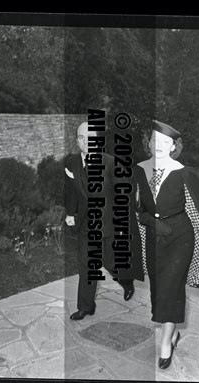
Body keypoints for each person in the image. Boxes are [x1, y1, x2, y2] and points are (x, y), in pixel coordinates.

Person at [134, 120, 199, 369]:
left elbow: (197, 214)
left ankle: (166, 344)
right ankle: (172, 332)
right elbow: (137, 210)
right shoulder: (140, 171)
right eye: (154, 140)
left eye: (165, 142)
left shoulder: (184, 173)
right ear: (148, 143)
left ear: (174, 146)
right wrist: (153, 223)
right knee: (157, 290)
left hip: (180, 240)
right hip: (154, 238)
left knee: (171, 290)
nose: (159, 146)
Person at [64, 122, 144, 320]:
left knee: (111, 262)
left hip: (108, 225)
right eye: (81, 138)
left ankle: (126, 281)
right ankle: (86, 306)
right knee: (86, 266)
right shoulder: (71, 163)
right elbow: (72, 191)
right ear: (77, 141)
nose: (86, 141)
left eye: (90, 137)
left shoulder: (110, 163)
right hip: (85, 225)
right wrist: (70, 213)